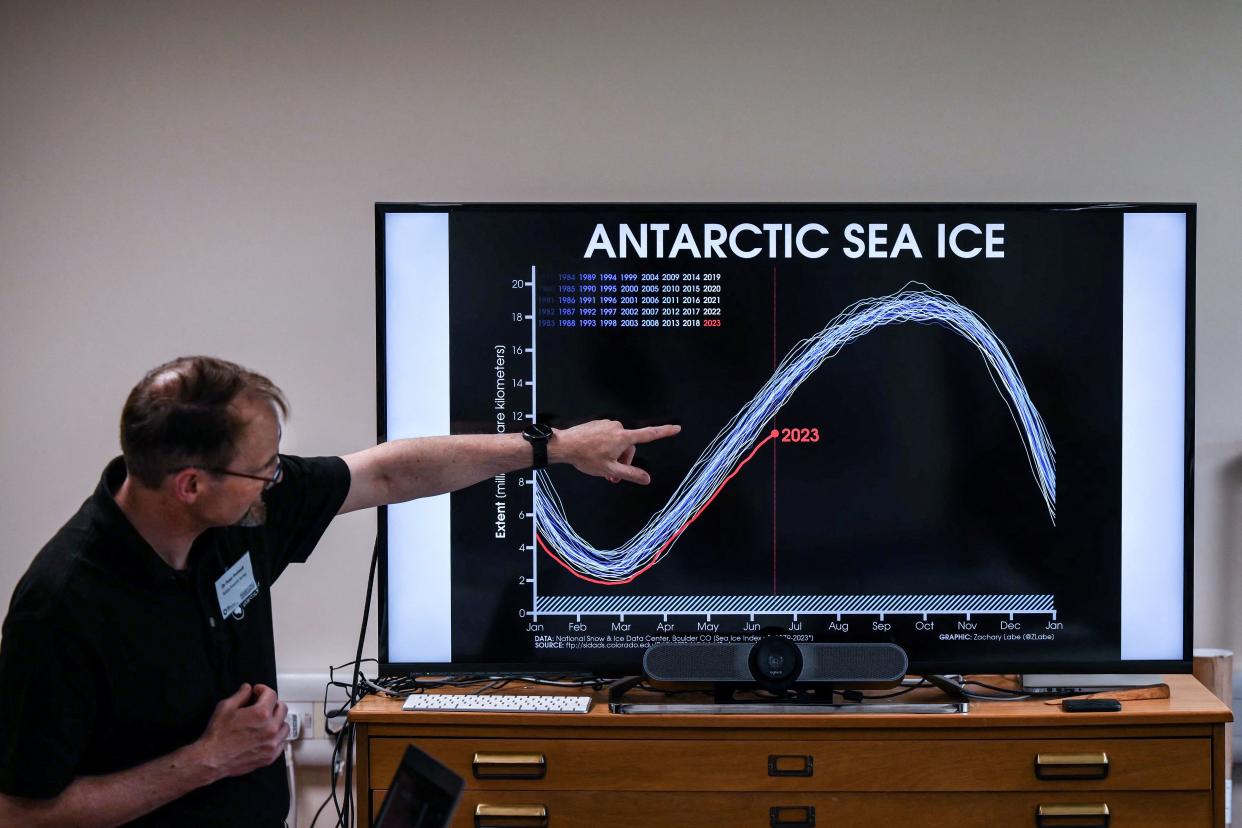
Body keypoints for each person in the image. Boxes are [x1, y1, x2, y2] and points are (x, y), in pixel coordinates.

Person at [0, 356, 679, 827]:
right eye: (264, 470)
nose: (278, 483)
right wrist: (203, 762)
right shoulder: (63, 606)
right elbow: (21, 812)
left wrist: (553, 449)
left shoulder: (235, 512)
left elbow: (387, 475)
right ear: (190, 485)